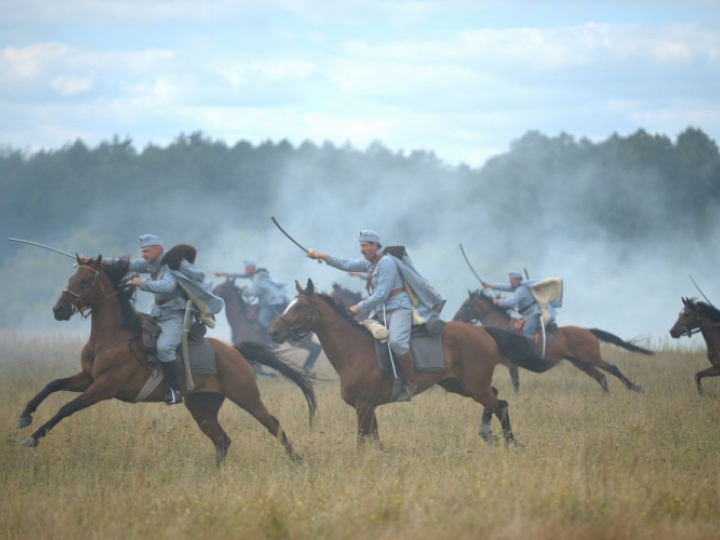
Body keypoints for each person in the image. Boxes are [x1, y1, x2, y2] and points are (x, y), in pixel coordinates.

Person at [307, 230, 445, 402]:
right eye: (360, 245)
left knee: (396, 342)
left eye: (364, 246)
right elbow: (346, 264)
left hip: (398, 309)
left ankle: (410, 383)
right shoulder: (371, 264)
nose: (361, 249)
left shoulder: (386, 263)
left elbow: (381, 294)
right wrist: (321, 255)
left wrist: (358, 307)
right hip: (381, 310)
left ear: (374, 245)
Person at [216, 261, 291, 333]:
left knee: (262, 319)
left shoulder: (257, 278)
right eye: (245, 269)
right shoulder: (257, 275)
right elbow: (241, 275)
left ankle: (274, 334)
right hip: (271, 300)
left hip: (272, 301)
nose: (246, 271)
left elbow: (253, 293)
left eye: (247, 269)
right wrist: (223, 274)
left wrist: (244, 290)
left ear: (253, 268)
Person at [482, 271, 543, 341]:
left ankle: (530, 350)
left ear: (517, 280)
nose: (510, 282)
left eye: (511, 280)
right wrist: (490, 285)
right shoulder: (518, 287)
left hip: (533, 313)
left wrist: (498, 301)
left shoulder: (521, 290)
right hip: (527, 314)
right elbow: (505, 286)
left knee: (527, 331)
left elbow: (512, 302)